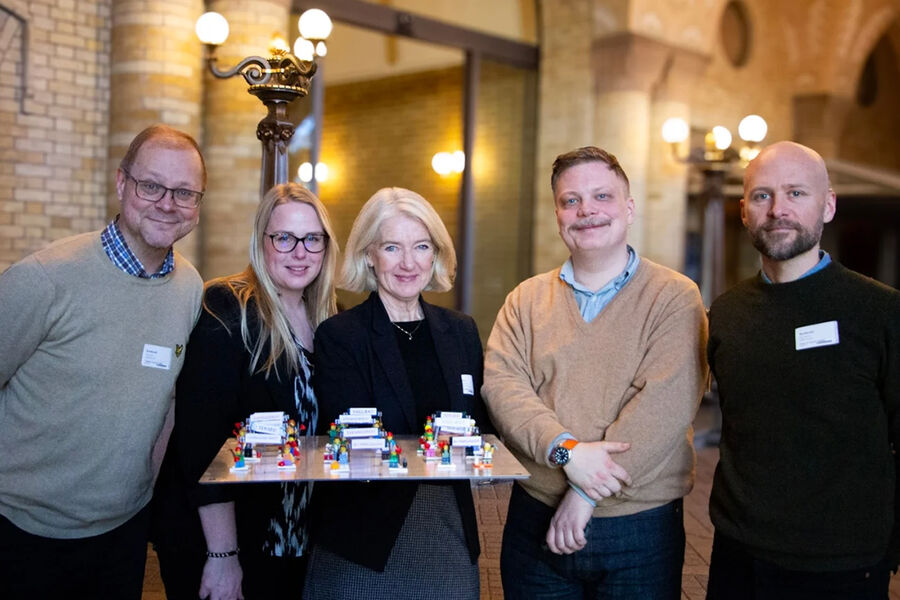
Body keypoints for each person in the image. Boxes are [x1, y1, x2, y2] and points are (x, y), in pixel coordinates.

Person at [483, 146, 708, 599]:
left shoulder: (674, 296)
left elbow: (665, 405)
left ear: (628, 209)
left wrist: (584, 496)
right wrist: (566, 451)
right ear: (558, 215)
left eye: (602, 197)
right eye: (571, 201)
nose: (586, 211)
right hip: (534, 518)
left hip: (640, 528)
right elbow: (504, 388)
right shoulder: (525, 300)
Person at [0, 124, 206, 599]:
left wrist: (146, 494)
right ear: (121, 184)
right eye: (151, 186)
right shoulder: (44, 279)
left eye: (184, 192)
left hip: (123, 533)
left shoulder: (190, 289)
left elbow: (167, 399)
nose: (166, 203)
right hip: (22, 533)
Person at [705, 141, 900, 599]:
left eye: (796, 193)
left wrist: (890, 546)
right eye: (762, 196)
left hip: (843, 565)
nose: (778, 210)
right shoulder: (726, 314)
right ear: (744, 211)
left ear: (828, 205)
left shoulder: (880, 312)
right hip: (737, 555)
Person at [151, 183, 338, 600]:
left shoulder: (328, 317)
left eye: (312, 239)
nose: (300, 252)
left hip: (293, 530)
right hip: (222, 536)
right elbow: (202, 443)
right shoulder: (228, 307)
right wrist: (223, 556)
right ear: (262, 242)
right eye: (284, 238)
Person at [303, 187, 491, 599]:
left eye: (421, 246)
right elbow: (352, 439)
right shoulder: (340, 336)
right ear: (369, 254)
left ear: (436, 254)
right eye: (392, 247)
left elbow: (481, 425)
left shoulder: (461, 331)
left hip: (447, 536)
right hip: (363, 541)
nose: (409, 263)